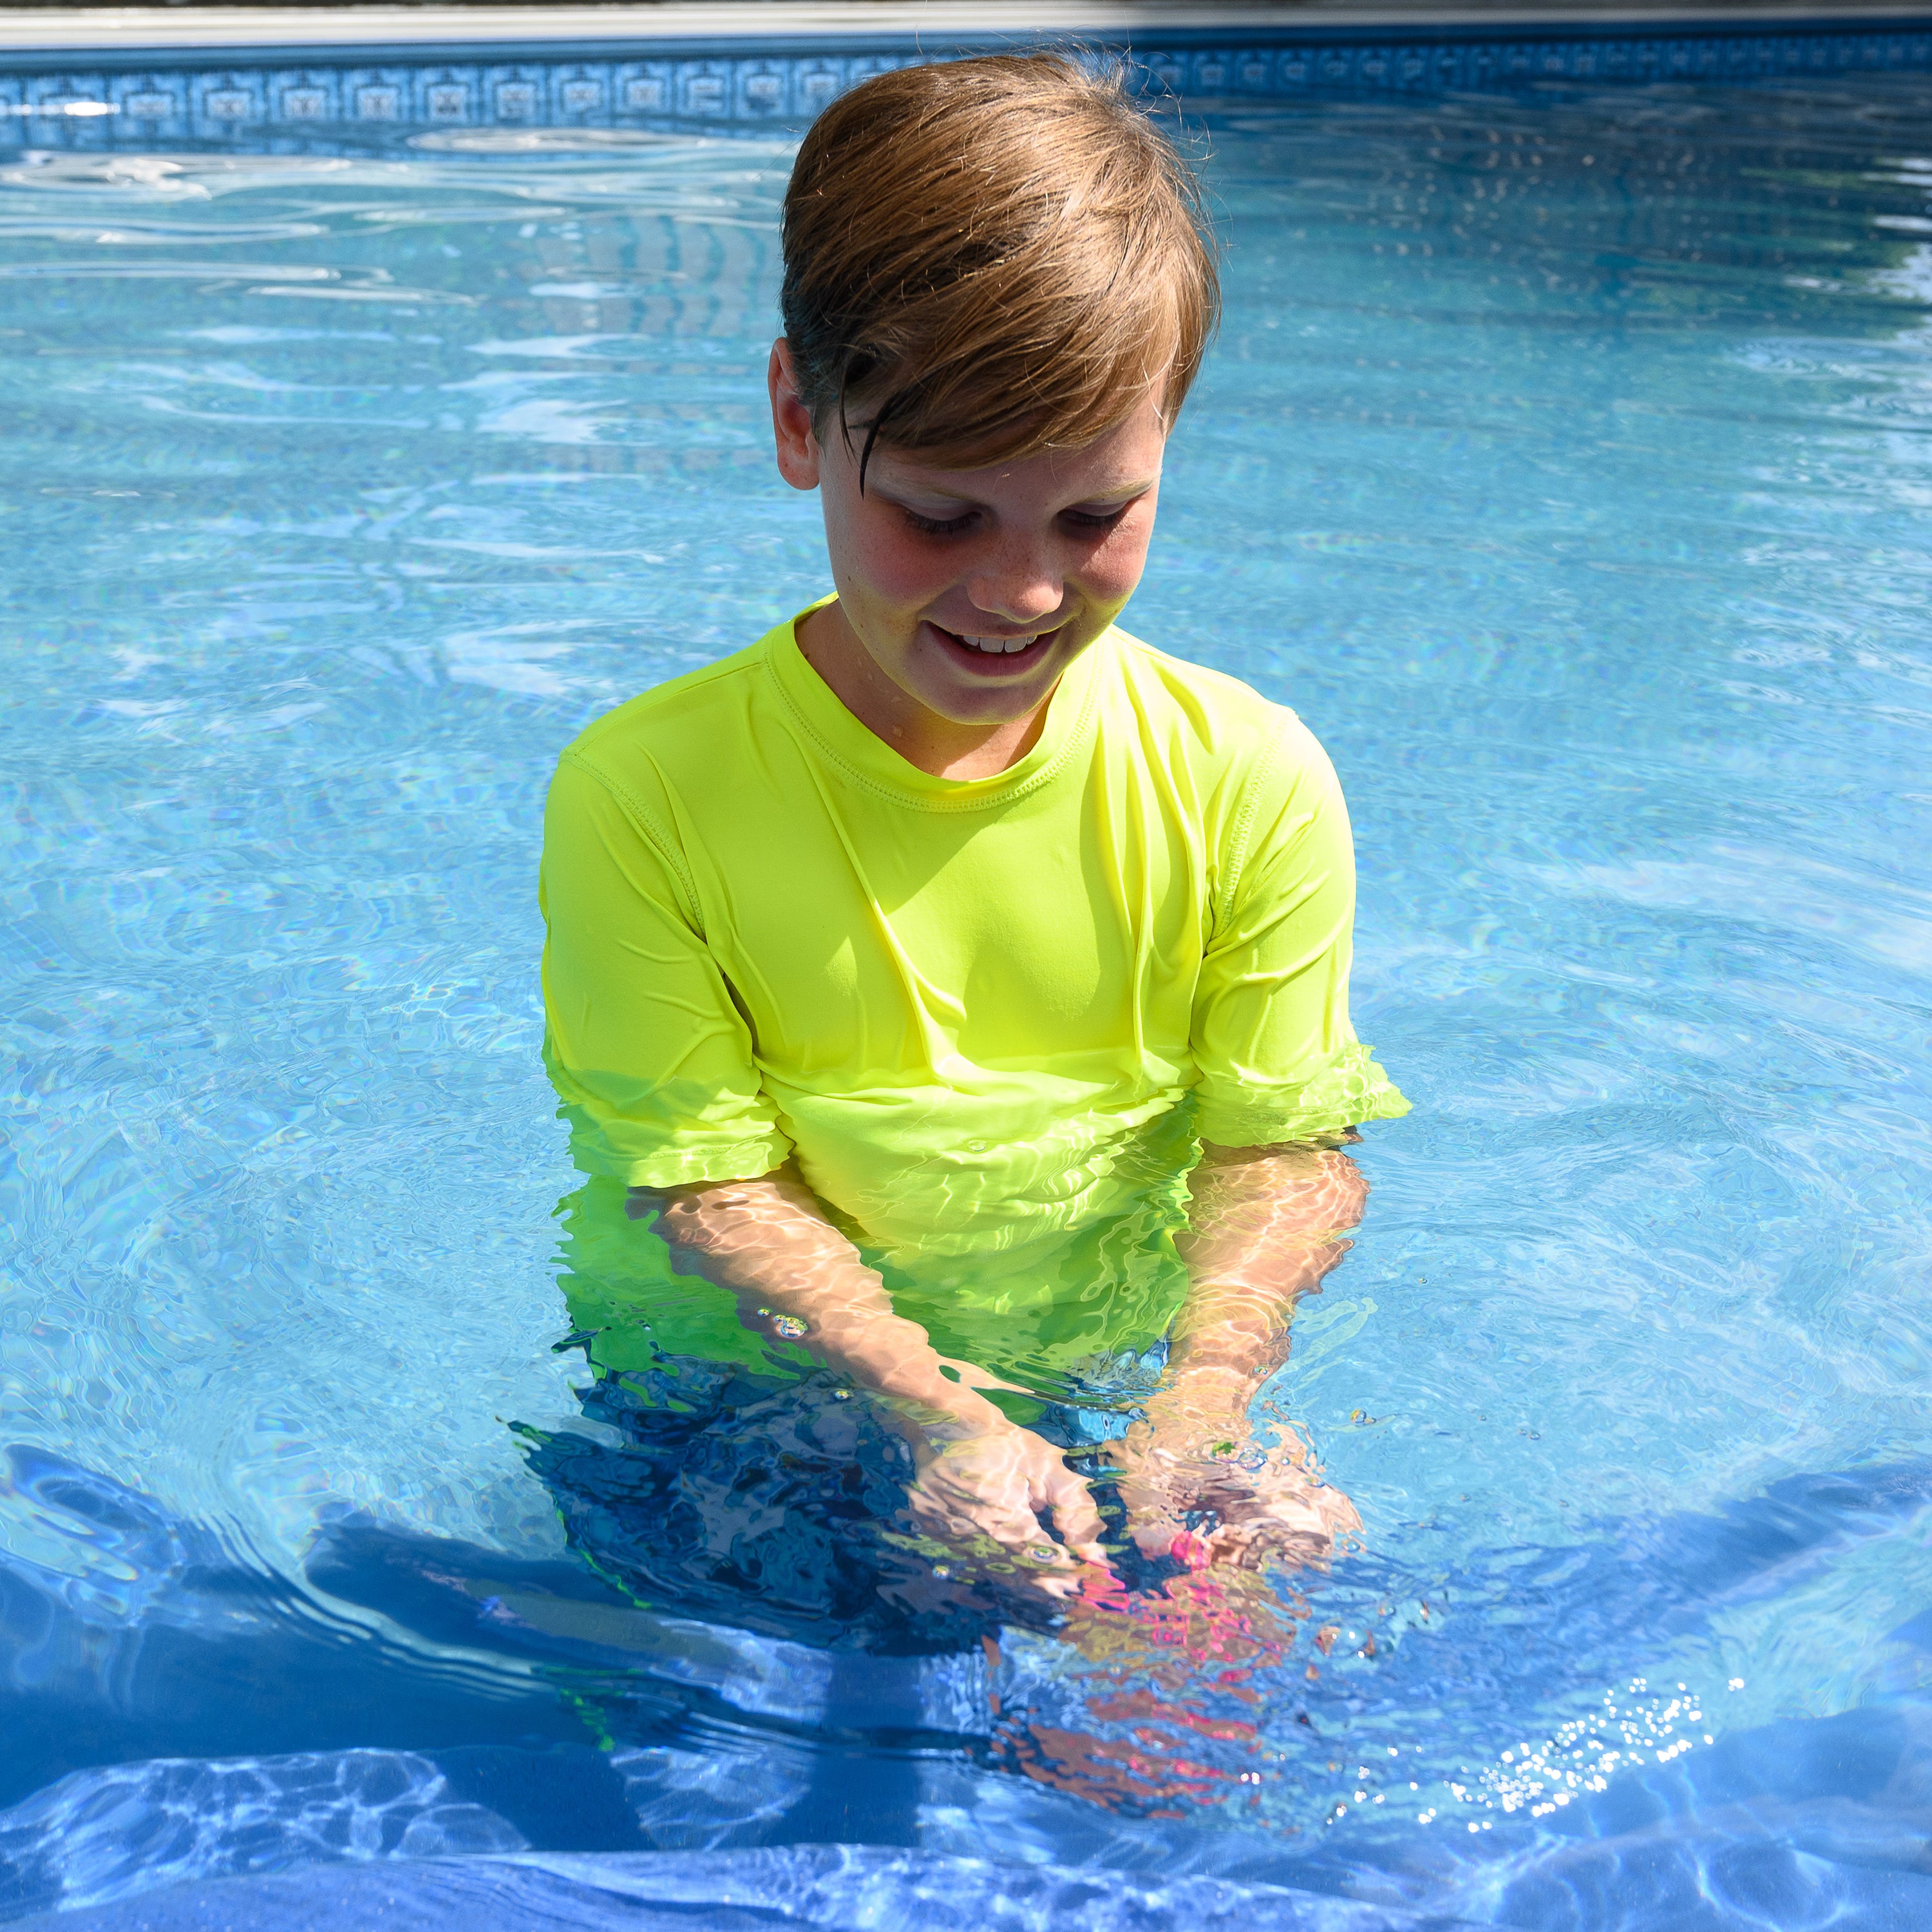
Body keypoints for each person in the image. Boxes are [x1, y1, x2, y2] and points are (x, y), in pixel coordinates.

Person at [538, 53, 1408, 1622]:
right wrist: (932, 1409)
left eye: (1094, 519)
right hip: (748, 1382)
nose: (1019, 593)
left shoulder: (1246, 774)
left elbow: (1284, 1147)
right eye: (942, 516)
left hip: (1108, 1372)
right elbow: (703, 1189)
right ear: (804, 420)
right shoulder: (648, 789)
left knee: (1224, 1666)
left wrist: (1210, 1396)